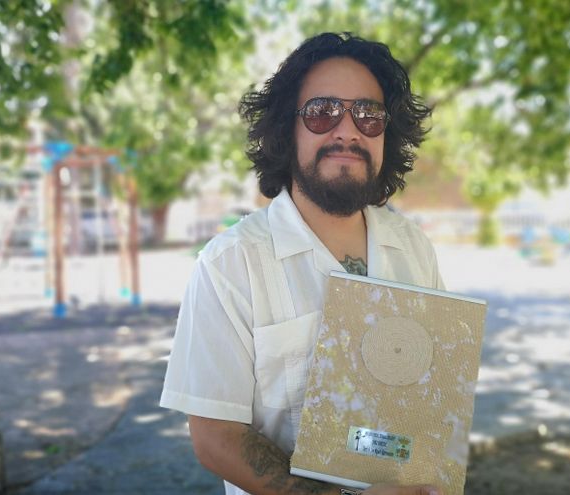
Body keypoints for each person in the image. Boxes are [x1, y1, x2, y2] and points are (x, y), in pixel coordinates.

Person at [160, 32, 445, 495]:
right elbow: (215, 438)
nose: (348, 131)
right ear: (286, 131)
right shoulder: (230, 264)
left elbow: (433, 393)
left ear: (385, 135)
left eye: (368, 115)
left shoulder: (414, 248)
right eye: (322, 111)